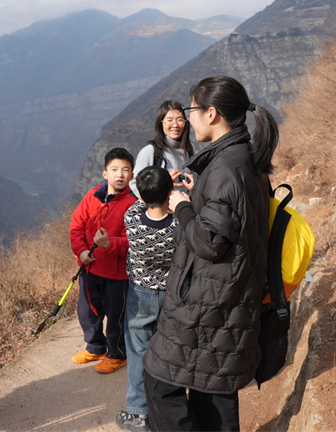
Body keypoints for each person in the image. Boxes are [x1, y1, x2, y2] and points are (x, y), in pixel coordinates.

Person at [142, 75, 279, 432]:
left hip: (207, 303)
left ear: (212, 114)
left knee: (160, 380)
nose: (187, 119)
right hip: (228, 299)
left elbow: (208, 242)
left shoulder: (225, 170)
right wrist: (198, 192)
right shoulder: (242, 158)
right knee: (212, 391)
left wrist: (182, 206)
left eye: (191, 111)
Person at [116, 167, 178, 432]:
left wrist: (158, 188)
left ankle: (138, 414)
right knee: (168, 351)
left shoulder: (132, 218)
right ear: (170, 194)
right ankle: (168, 408)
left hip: (140, 292)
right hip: (170, 294)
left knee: (138, 351)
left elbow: (140, 201)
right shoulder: (179, 226)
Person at [70, 147, 137, 374]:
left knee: (116, 316)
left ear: (132, 175)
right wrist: (80, 252)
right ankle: (96, 346)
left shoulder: (133, 205)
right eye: (115, 169)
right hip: (90, 268)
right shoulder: (92, 197)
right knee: (88, 311)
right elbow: (76, 225)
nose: (120, 175)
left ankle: (117, 354)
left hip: (118, 275)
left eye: (125, 170)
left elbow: (133, 242)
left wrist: (110, 244)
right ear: (105, 173)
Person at [129, 100, 194, 197]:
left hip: (182, 209)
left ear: (185, 123)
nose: (175, 125)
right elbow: (134, 183)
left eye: (180, 119)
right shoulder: (151, 152)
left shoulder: (189, 150)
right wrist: (156, 205)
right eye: (169, 120)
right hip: (158, 210)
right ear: (161, 123)